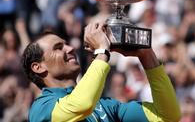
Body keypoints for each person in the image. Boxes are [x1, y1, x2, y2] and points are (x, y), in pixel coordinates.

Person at [21, 22, 181, 122]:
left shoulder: (105, 106)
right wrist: (102, 51)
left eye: (66, 44)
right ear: (38, 67)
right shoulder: (41, 109)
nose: (70, 48)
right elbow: (81, 105)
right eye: (58, 48)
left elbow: (167, 116)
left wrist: (146, 55)